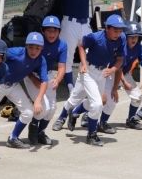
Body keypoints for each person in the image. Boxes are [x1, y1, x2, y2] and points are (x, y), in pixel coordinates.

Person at [52, 15, 126, 146]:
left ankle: (74, 114)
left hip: (103, 72)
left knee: (97, 102)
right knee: (86, 101)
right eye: (115, 30)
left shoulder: (121, 39)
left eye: (120, 30)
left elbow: (120, 59)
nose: (118, 33)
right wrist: (84, 64)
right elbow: (81, 46)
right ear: (106, 28)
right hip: (88, 70)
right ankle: (86, 132)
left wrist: (113, 69)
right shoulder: (95, 37)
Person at [53, 0, 109, 92]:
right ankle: (70, 87)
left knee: (94, 53)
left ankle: (92, 84)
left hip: (85, 24)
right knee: (67, 57)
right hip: (69, 23)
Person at [24, 16, 68, 144]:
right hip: (32, 75)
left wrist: (58, 80)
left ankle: (41, 132)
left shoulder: (62, 45)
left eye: (55, 30)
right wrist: (33, 79)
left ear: (59, 31)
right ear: (42, 31)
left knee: (52, 108)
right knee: (44, 107)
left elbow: (62, 67)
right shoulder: (36, 42)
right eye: (49, 30)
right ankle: (33, 126)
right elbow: (25, 64)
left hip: (47, 75)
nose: (52, 33)